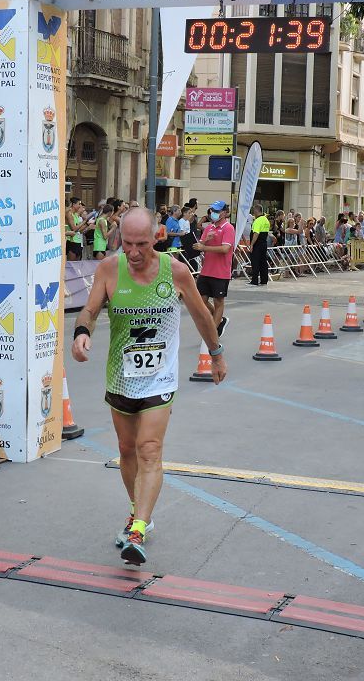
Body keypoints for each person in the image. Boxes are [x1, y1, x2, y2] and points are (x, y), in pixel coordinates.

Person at [71, 208, 225, 565]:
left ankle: (138, 528)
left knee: (149, 448)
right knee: (127, 450)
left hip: (160, 377)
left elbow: (202, 315)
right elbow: (90, 310)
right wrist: (81, 334)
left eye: (141, 244)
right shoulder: (110, 269)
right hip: (121, 376)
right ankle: (137, 509)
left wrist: (216, 354)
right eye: (127, 243)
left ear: (156, 238)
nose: (134, 252)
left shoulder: (176, 272)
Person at [194, 200, 235, 337]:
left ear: (224, 213)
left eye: (217, 211)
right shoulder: (209, 228)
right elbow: (198, 246)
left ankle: (212, 332)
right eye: (212, 210)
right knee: (200, 301)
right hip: (206, 270)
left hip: (221, 272)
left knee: (218, 301)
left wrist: (205, 247)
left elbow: (225, 249)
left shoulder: (228, 228)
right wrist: (205, 241)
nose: (214, 213)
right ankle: (219, 320)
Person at [248, 203, 270, 286]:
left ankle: (254, 281)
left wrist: (252, 245)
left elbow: (256, 233)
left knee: (255, 262)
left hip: (257, 244)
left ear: (257, 210)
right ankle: (264, 280)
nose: (253, 212)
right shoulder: (265, 219)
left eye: (254, 211)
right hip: (264, 243)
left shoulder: (257, 221)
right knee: (263, 262)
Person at [65, 197, 91, 262]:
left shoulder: (76, 214)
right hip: (72, 242)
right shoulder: (69, 213)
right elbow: (74, 229)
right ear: (73, 204)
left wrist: (87, 224)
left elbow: (79, 230)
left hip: (78, 242)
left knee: (78, 265)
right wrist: (84, 221)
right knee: (71, 266)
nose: (80, 206)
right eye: (79, 204)